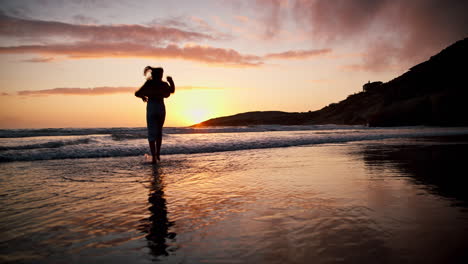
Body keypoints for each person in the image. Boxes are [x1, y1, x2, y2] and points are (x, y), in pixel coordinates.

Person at [135, 66, 175, 164]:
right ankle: (157, 154)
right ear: (159, 75)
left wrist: (143, 97)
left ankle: (153, 157)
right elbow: (172, 91)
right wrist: (171, 81)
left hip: (152, 107)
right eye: (161, 74)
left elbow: (137, 93)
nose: (161, 76)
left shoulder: (149, 83)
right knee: (158, 132)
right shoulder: (163, 84)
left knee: (151, 133)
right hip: (160, 107)